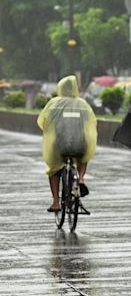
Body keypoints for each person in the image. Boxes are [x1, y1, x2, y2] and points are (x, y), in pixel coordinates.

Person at [37, 75, 97, 213]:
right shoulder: (83, 105)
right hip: (80, 145)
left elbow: (43, 122)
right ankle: (81, 179)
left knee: (53, 170)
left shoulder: (54, 104)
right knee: (84, 157)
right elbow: (92, 123)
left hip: (59, 146)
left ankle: (56, 203)